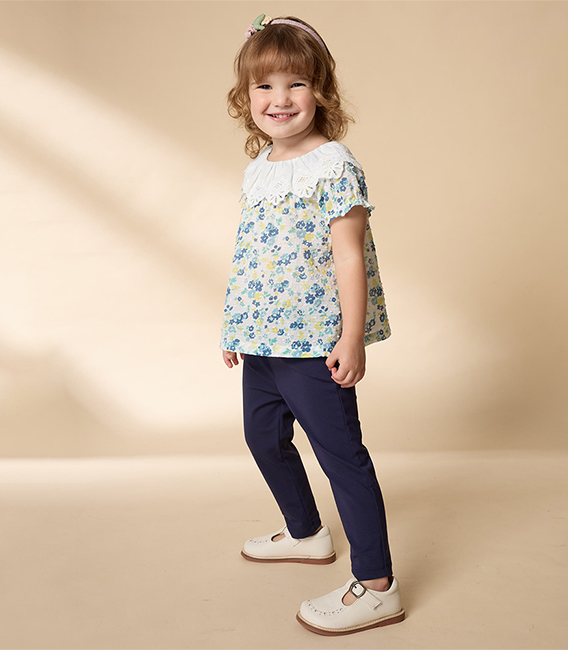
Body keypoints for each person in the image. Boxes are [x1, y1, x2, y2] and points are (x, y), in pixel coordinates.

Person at [220, 14, 404, 636]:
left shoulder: (333, 165)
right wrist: (235, 326)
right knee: (262, 438)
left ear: (320, 91)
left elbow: (349, 255)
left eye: (295, 84)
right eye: (265, 87)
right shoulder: (260, 167)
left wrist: (351, 337)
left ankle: (377, 585)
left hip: (313, 345)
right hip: (263, 343)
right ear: (247, 98)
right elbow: (253, 254)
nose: (280, 99)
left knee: (341, 457)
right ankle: (306, 532)